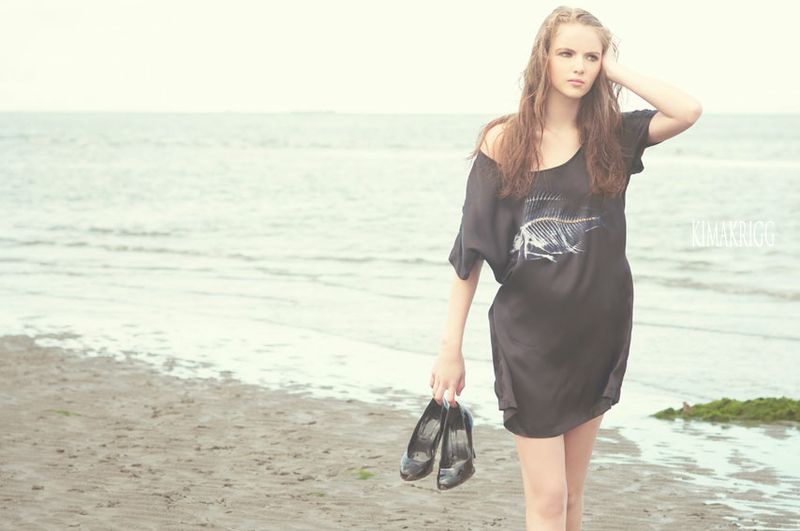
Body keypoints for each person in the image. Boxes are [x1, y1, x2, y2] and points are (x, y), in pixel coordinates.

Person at [429, 5, 702, 531]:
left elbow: (688, 110)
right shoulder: (504, 141)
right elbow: (470, 251)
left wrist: (615, 69)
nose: (579, 66)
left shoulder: (613, 136)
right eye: (567, 53)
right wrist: (450, 349)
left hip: (597, 331)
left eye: (591, 57)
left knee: (573, 496)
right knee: (549, 498)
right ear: (543, 58)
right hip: (529, 340)